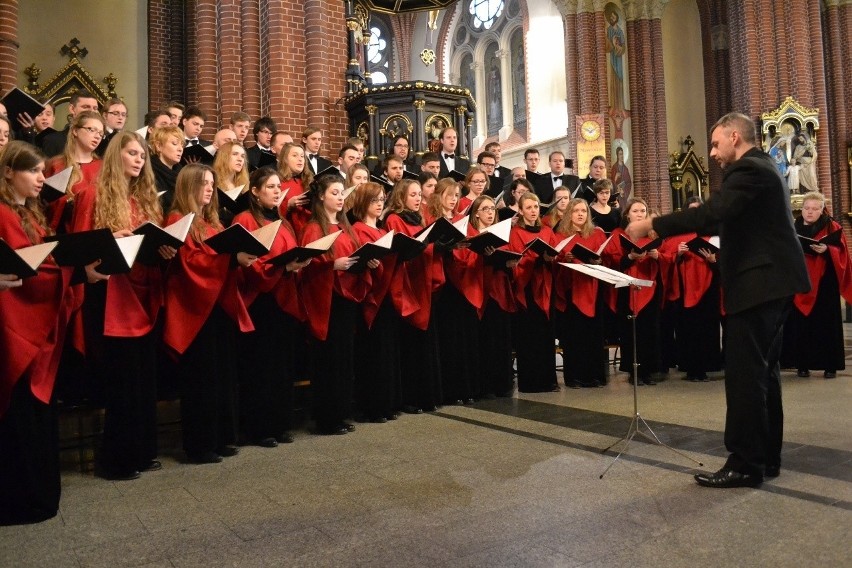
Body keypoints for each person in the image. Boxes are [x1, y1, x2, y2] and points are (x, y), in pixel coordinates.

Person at [626, 112, 810, 488]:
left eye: (715, 143)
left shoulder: (750, 170)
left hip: (761, 285)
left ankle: (744, 463)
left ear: (734, 136)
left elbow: (713, 213)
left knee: (745, 376)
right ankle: (764, 457)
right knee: (763, 374)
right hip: (771, 283)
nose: (712, 153)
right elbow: (716, 221)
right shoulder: (761, 169)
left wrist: (652, 225)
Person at [70, 131, 175, 480]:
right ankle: (116, 459)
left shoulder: (144, 200)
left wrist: (163, 249)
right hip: (112, 298)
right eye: (132, 153)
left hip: (142, 292)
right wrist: (108, 241)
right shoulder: (93, 194)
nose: (138, 160)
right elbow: (81, 250)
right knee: (122, 382)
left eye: (142, 156)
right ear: (116, 156)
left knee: (144, 379)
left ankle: (142, 451)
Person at [0, 141, 74, 525]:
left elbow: (41, 259)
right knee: (18, 415)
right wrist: (68, 271)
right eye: (33, 171)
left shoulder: (31, 213)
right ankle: (19, 500)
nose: (42, 179)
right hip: (13, 325)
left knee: (35, 415)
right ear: (9, 171)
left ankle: (38, 495)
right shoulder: (1, 213)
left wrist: (72, 268)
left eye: (44, 172)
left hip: (33, 320)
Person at [163, 164, 256, 464]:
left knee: (223, 375)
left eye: (212, 183)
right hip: (195, 309)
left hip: (219, 306)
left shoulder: (212, 222)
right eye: (202, 183)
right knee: (202, 378)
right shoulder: (178, 219)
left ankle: (222, 437)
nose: (208, 188)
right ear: (188, 186)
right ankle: (200, 444)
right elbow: (192, 262)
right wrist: (231, 259)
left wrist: (238, 258)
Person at [233, 167, 309, 447]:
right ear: (255, 191)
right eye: (271, 187)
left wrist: (298, 264)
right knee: (260, 367)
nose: (278, 191)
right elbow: (250, 263)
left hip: (283, 299)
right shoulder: (245, 219)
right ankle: (259, 428)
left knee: (281, 367)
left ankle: (280, 424)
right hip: (259, 302)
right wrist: (282, 268)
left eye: (279, 187)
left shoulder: (284, 222)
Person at [298, 174, 374, 435]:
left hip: (346, 299)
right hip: (326, 301)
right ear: (321, 197)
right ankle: (327, 418)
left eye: (342, 193)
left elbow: (354, 255)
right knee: (328, 360)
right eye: (335, 193)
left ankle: (341, 413)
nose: (341, 198)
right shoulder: (312, 228)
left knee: (344, 359)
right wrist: (332, 266)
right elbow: (306, 266)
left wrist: (367, 262)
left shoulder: (345, 227)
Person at [384, 179, 443, 413]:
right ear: (401, 197)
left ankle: (425, 396)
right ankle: (409, 398)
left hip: (422, 281)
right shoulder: (393, 219)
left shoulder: (421, 218)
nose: (418, 198)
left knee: (423, 343)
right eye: (413, 195)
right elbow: (395, 250)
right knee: (408, 344)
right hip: (406, 284)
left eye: (420, 194)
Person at [786, 191, 852, 379]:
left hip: (825, 284)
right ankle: (802, 365)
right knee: (801, 326)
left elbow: (843, 253)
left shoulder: (832, 227)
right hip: (800, 282)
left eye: (815, 209)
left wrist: (827, 249)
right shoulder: (793, 227)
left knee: (826, 325)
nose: (810, 212)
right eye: (807, 208)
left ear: (822, 210)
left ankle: (830, 366)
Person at [350, 182, 401, 422]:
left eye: (382, 199)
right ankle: (372, 406)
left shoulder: (382, 232)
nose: (380, 204)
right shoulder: (359, 230)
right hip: (371, 297)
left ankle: (387, 403)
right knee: (373, 353)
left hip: (387, 294)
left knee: (387, 352)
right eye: (374, 200)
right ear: (363, 203)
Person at [657, 196, 722, 382]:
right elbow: (666, 258)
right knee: (689, 328)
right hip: (685, 288)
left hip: (709, 286)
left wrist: (713, 260)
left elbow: (725, 258)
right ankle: (690, 366)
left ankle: (709, 364)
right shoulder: (677, 235)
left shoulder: (713, 233)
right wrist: (678, 254)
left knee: (708, 326)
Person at [553, 198, 609, 388]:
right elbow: (554, 260)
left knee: (593, 334)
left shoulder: (597, 234)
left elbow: (604, 257)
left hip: (593, 289)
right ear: (569, 214)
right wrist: (564, 257)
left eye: (583, 211)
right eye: (576, 211)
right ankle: (574, 377)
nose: (580, 214)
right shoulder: (561, 235)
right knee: (575, 335)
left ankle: (595, 375)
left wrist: (598, 261)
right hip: (571, 288)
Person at [508, 191, 559, 393]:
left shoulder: (547, 231)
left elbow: (556, 253)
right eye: (528, 207)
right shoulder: (516, 233)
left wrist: (550, 259)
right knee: (529, 336)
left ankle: (549, 381)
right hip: (527, 288)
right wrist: (534, 259)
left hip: (546, 284)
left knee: (546, 335)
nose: (532, 211)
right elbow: (516, 262)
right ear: (520, 210)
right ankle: (530, 383)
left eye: (536, 207)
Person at [467, 196, 518, 397]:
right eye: (485, 209)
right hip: (480, 291)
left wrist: (509, 264)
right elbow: (467, 263)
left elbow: (508, 256)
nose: (490, 212)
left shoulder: (501, 234)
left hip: (500, 290)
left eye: (492, 209)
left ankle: (502, 384)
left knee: (501, 338)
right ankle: (486, 385)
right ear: (476, 212)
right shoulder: (471, 235)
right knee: (485, 339)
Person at [43, 111, 106, 232]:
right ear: (75, 131)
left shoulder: (103, 168)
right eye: (92, 130)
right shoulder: (56, 165)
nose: (97, 136)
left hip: (93, 230)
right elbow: (44, 204)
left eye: (101, 133)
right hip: (60, 231)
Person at [41, 91, 100, 157]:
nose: (91, 112)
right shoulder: (53, 141)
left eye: (95, 108)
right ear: (72, 109)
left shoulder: (101, 143)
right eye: (86, 107)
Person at [277, 142, 313, 237]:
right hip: (289, 231)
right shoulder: (278, 182)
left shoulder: (309, 182)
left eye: (302, 156)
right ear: (285, 159)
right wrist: (288, 205)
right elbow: (269, 212)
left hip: (309, 230)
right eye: (295, 155)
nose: (300, 159)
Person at [149, 124, 184, 211]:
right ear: (159, 146)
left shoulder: (183, 174)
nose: (180, 148)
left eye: (182, 145)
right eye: (175, 143)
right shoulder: (149, 172)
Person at [610, 145, 632, 209]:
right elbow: (611, 183)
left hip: (623, 195)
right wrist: (615, 178)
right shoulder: (614, 167)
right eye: (620, 154)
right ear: (617, 155)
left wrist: (624, 191)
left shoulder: (625, 169)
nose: (621, 156)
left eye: (622, 154)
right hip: (616, 195)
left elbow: (629, 183)